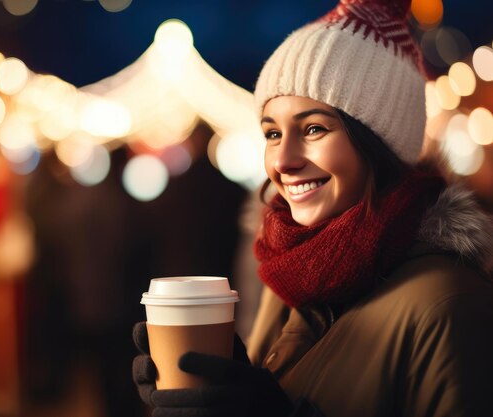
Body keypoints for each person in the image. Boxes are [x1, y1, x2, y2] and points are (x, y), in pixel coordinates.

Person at [132, 0, 493, 416]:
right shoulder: (286, 277)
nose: (282, 161)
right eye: (271, 132)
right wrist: (225, 380)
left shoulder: (450, 306)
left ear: (381, 144)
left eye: (314, 128)